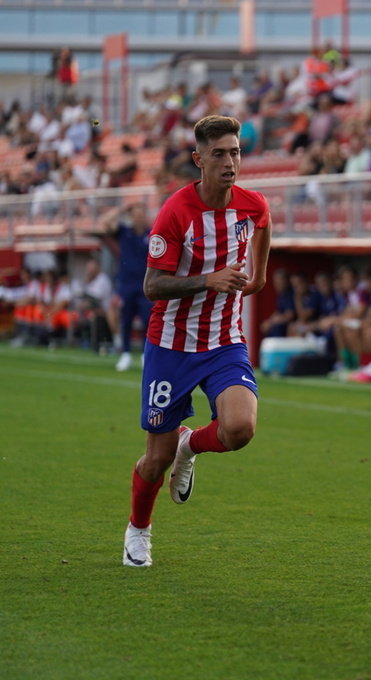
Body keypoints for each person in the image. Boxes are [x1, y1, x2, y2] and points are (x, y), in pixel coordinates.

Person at [122, 114, 272, 568]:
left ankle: (192, 445)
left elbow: (260, 255)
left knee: (240, 429)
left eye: (236, 152)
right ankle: (139, 530)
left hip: (225, 341)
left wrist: (247, 281)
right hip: (171, 346)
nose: (230, 162)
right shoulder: (175, 212)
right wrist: (209, 280)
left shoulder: (253, 206)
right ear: (198, 160)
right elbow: (152, 286)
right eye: (220, 154)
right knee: (155, 459)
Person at [102, 202, 154, 371]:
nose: (138, 218)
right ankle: (125, 354)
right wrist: (121, 208)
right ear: (131, 217)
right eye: (135, 215)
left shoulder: (151, 234)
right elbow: (106, 222)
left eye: (141, 215)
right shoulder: (124, 232)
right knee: (126, 320)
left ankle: (145, 354)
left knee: (147, 320)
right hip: (126, 285)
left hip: (145, 285)